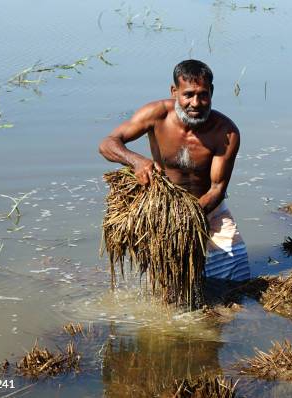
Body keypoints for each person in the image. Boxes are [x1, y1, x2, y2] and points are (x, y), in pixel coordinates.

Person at [99, 60, 250, 281]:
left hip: (208, 208)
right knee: (168, 281)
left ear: (212, 93)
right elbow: (108, 144)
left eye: (203, 95)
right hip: (163, 208)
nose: (196, 103)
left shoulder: (225, 132)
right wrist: (137, 161)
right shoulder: (156, 114)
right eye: (188, 95)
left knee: (237, 278)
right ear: (174, 91)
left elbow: (217, 188)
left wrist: (189, 217)